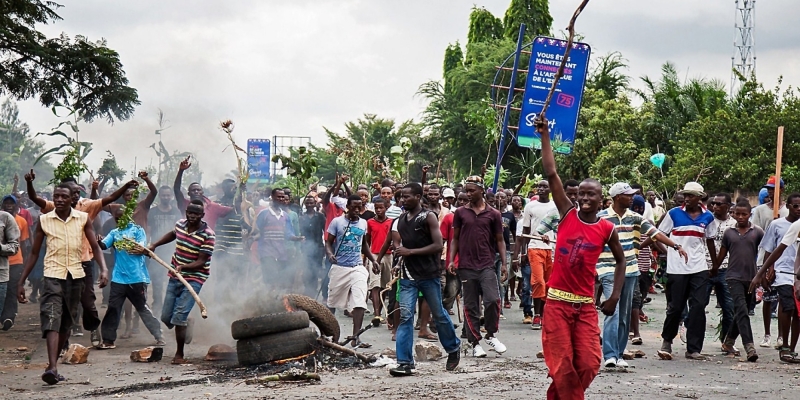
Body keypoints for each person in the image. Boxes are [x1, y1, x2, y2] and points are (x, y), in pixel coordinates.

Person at [535, 117, 626, 399]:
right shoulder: (567, 214)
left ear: (602, 200)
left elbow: (621, 261)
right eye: (582, 194)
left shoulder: (606, 228)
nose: (585, 198)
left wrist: (614, 297)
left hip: (585, 306)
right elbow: (551, 173)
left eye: (592, 195)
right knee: (561, 366)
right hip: (557, 304)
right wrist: (545, 135)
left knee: (588, 363)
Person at [26, 169, 135, 345]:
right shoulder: (56, 207)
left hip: (83, 261)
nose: (76, 195)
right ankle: (65, 339)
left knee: (88, 302)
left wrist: (124, 187)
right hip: (59, 265)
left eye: (78, 192)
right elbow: (36, 200)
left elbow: (109, 200)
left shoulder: (86, 209)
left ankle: (93, 328)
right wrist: (29, 183)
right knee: (63, 304)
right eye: (73, 192)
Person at [16, 183, 108, 385]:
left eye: (63, 196)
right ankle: (51, 366)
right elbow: (33, 253)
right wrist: (21, 281)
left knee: (67, 322)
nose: (58, 199)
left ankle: (53, 365)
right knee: (51, 317)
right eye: (56, 196)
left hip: (76, 276)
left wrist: (103, 269)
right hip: (52, 275)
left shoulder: (83, 219)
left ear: (71, 199)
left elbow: (95, 247)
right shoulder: (44, 220)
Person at [596, 183, 688, 368]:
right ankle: (609, 355)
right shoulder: (601, 217)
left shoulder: (635, 218)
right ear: (616, 197)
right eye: (627, 195)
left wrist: (675, 246)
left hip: (630, 270)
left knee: (624, 314)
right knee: (612, 311)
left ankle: (619, 353)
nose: (632, 198)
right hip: (607, 269)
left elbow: (655, 234)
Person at [388, 183, 460, 376]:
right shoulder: (401, 220)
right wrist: (399, 258)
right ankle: (404, 362)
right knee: (405, 317)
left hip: (429, 275)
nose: (403, 200)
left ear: (419, 196)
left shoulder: (428, 216)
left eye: (407, 196)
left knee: (439, 315)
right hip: (408, 277)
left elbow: (438, 245)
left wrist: (410, 252)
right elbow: (400, 246)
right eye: (402, 197)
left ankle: (453, 348)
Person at [149, 199, 215, 364]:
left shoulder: (208, 234)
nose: (192, 216)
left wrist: (183, 267)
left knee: (178, 317)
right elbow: (173, 234)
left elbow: (201, 261)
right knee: (166, 317)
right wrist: (155, 244)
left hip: (195, 278)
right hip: (175, 276)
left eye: (196, 214)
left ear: (202, 215)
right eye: (190, 212)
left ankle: (179, 355)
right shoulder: (180, 224)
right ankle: (186, 322)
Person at [657, 182, 716, 360]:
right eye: (686, 195)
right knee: (676, 306)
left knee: (698, 306)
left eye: (691, 196)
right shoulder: (674, 213)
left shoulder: (708, 217)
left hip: (699, 266)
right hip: (677, 267)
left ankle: (693, 348)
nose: (687, 198)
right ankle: (667, 340)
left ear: (700, 198)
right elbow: (658, 235)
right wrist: (668, 253)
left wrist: (714, 264)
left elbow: (710, 241)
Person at [449, 175, 507, 357]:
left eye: (472, 190)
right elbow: (455, 239)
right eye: (466, 190)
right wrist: (451, 260)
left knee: (492, 300)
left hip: (486, 264)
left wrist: (504, 264)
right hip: (466, 265)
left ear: (482, 191)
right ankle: (475, 343)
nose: (468, 194)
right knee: (471, 305)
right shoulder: (460, 213)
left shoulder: (494, 214)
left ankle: (490, 334)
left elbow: (500, 240)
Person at [96, 207, 165, 349]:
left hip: (137, 278)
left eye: (123, 218)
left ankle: (158, 335)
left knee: (141, 308)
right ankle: (108, 340)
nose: (120, 221)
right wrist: (100, 241)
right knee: (113, 308)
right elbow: (104, 245)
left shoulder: (138, 231)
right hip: (118, 278)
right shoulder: (114, 233)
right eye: (117, 218)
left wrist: (128, 243)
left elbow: (140, 248)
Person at [751, 193, 800, 362]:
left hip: (797, 273)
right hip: (783, 272)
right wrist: (763, 272)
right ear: (788, 207)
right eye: (795, 206)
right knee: (788, 306)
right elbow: (774, 249)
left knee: (797, 312)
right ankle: (784, 345)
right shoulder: (780, 225)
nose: (799, 209)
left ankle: (792, 349)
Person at [712, 200, 763, 362]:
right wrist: (714, 269)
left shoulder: (757, 232)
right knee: (741, 310)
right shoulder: (729, 232)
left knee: (743, 311)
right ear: (733, 214)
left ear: (750, 214)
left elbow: (765, 252)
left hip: (751, 277)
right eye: (737, 214)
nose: (740, 217)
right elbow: (722, 254)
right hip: (733, 276)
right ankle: (750, 347)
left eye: (744, 214)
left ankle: (728, 342)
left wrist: (765, 272)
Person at [326, 194, 378, 348]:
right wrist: (329, 254)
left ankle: (356, 337)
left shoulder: (363, 223)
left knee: (360, 302)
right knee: (332, 302)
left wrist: (374, 260)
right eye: (354, 207)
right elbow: (328, 243)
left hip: (357, 267)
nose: (357, 209)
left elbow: (364, 245)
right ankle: (332, 336)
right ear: (347, 206)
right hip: (340, 267)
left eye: (359, 206)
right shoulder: (337, 222)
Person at [750, 176, 788, 347]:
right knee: (768, 297)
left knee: (783, 298)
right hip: (764, 256)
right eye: (769, 188)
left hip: (786, 259)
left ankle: (781, 335)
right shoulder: (760, 210)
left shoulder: (789, 211)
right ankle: (767, 334)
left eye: (774, 188)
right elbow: (756, 233)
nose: (771, 191)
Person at [516, 180, 557, 330]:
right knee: (538, 281)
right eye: (539, 186)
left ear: (550, 189)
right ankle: (537, 314)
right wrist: (523, 253)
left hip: (551, 248)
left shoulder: (555, 206)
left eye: (544, 186)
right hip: (534, 247)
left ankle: (545, 314)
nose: (541, 189)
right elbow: (525, 231)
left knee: (548, 283)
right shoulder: (530, 206)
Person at [255, 188, 304, 290]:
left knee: (280, 279)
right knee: (270, 279)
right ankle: (265, 300)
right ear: (272, 197)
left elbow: (288, 234)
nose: (281, 199)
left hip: (281, 252)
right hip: (266, 251)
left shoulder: (285, 216)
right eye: (279, 196)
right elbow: (256, 230)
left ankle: (275, 301)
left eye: (282, 197)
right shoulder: (264, 214)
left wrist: (297, 238)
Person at [704, 193, 736, 347]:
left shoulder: (735, 224)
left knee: (729, 308)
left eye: (719, 204)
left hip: (726, 269)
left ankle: (727, 341)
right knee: (699, 304)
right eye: (713, 203)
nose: (715, 206)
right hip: (705, 267)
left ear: (728, 207)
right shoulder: (706, 220)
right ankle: (695, 340)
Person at [146, 186, 183, 315]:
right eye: (163, 195)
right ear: (159, 196)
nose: (166, 197)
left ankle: (169, 307)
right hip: (156, 250)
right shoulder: (153, 212)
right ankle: (157, 306)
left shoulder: (176, 212)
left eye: (168, 195)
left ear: (171, 196)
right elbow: (149, 230)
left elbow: (179, 232)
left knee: (171, 280)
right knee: (156, 281)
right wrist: (148, 246)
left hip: (172, 252)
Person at [173, 156, 233, 229]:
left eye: (198, 190)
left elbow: (232, 210)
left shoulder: (213, 206)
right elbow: (176, 189)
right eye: (193, 190)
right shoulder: (185, 204)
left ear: (202, 192)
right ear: (189, 193)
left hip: (207, 239)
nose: (196, 192)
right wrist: (181, 171)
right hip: (188, 239)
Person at [1, 195, 28, 330]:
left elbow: (22, 243)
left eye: (12, 203)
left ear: (17, 206)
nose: (9, 205)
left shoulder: (21, 221)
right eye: (6, 203)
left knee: (12, 289)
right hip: (2, 262)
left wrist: (25, 262)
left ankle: (8, 316)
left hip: (16, 261)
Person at [366, 199, 393, 320]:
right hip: (374, 255)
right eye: (376, 208)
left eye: (381, 208)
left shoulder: (391, 222)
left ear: (386, 207)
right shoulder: (370, 222)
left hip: (388, 255)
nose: (378, 210)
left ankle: (381, 311)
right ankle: (376, 313)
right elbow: (367, 241)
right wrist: (366, 256)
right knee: (375, 284)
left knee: (386, 284)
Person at [299, 196, 326, 297]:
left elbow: (325, 232)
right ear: (305, 205)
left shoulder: (320, 216)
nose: (309, 205)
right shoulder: (301, 218)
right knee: (306, 270)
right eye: (307, 203)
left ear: (315, 204)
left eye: (311, 203)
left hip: (318, 248)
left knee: (316, 270)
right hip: (305, 249)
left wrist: (325, 247)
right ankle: (307, 290)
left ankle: (313, 292)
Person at [496, 191, 516, 310]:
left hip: (506, 251)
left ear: (506, 200)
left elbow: (514, 234)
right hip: (491, 250)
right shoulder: (491, 213)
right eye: (497, 197)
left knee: (502, 280)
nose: (500, 199)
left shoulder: (510, 215)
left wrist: (516, 252)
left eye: (502, 197)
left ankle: (500, 308)